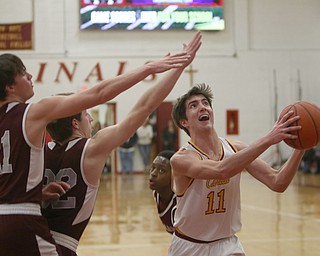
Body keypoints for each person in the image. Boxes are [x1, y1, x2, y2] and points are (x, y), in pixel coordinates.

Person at [0, 48, 192, 256]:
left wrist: (36, 194)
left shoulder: (37, 152)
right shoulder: (91, 148)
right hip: (44, 237)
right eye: (85, 114)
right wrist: (166, 68)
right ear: (75, 123)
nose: (90, 119)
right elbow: (143, 107)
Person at [168, 83, 305, 256]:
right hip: (189, 246)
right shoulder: (181, 159)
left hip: (227, 245)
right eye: (193, 105)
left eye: (205, 103)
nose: (202, 107)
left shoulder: (235, 149)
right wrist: (269, 139)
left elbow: (278, 182)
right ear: (184, 122)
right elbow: (221, 170)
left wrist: (302, 146)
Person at [148, 150, 176, 234]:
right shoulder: (156, 193)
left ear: (173, 176)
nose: (153, 173)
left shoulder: (181, 203)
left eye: (161, 170)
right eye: (153, 168)